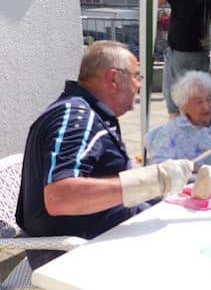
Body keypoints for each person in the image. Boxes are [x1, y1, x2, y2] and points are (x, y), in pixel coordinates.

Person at [16, 41, 193, 266]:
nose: (139, 85)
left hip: (99, 239)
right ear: (113, 79)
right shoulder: (77, 118)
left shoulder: (86, 113)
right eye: (136, 76)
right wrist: (153, 181)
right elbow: (59, 197)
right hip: (73, 258)